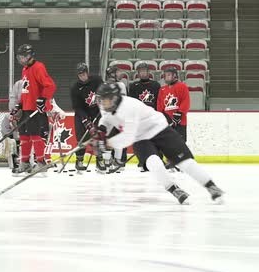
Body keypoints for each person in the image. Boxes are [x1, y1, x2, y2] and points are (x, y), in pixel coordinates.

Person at [92, 82, 223, 205]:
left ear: (114, 98)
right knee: (153, 162)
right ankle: (174, 189)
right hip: (140, 137)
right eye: (101, 99)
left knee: (184, 162)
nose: (102, 103)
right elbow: (107, 118)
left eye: (105, 99)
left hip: (158, 128)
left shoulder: (129, 107)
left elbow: (127, 137)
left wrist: (107, 143)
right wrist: (101, 130)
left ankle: (211, 186)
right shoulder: (106, 106)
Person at [13, 44, 57, 175]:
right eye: (19, 57)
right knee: (24, 136)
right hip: (26, 108)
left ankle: (41, 163)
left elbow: (50, 86)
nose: (21, 59)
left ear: (30, 56)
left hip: (35, 110)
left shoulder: (39, 67)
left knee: (35, 136)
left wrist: (43, 99)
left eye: (23, 57)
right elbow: (26, 90)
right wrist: (19, 104)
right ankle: (25, 163)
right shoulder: (25, 69)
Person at [70, 62, 104, 172]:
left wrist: (102, 107)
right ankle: (79, 161)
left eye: (84, 74)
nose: (82, 76)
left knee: (97, 136)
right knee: (81, 138)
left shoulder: (97, 80)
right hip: (82, 114)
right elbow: (77, 107)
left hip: (96, 112)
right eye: (80, 75)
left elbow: (104, 93)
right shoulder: (75, 87)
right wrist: (86, 121)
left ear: (87, 72)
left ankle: (100, 160)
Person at [157, 67, 190, 142]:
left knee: (180, 145)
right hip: (167, 123)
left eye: (168, 75)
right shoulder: (162, 89)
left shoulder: (182, 86)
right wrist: (165, 117)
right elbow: (159, 106)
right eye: (165, 75)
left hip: (180, 123)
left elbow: (185, 101)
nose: (166, 77)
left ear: (175, 76)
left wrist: (179, 114)